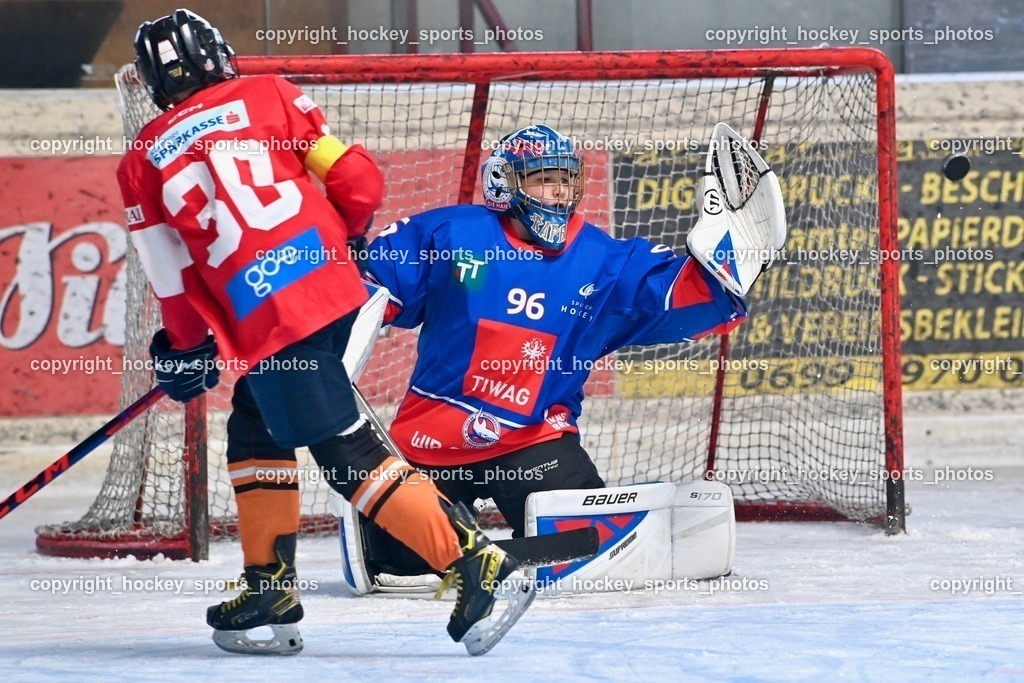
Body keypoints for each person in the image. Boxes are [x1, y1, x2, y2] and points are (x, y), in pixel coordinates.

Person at [117, 9, 533, 656]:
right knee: (254, 422)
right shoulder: (268, 93)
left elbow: (170, 280)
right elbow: (359, 180)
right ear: (218, 57)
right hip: (336, 290)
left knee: (347, 455)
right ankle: (269, 584)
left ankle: (476, 562)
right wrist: (349, 234)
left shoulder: (142, 161)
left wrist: (185, 347)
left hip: (277, 320)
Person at [356, 124, 754, 586]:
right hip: (431, 442)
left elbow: (682, 298)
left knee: (594, 554)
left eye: (567, 179)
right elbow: (367, 292)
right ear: (505, 182)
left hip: (535, 443)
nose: (560, 192)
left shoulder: (603, 259)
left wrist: (731, 257)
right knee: (392, 564)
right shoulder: (451, 232)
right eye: (545, 178)